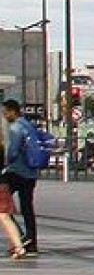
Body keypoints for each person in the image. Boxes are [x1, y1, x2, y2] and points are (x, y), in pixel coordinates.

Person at [1, 100, 41, 256]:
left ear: (13, 111)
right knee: (27, 208)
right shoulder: (29, 125)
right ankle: (31, 240)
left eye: (6, 112)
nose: (4, 115)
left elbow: (11, 152)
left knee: (3, 206)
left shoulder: (16, 128)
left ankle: (19, 236)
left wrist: (4, 162)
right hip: (31, 173)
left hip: (17, 172)